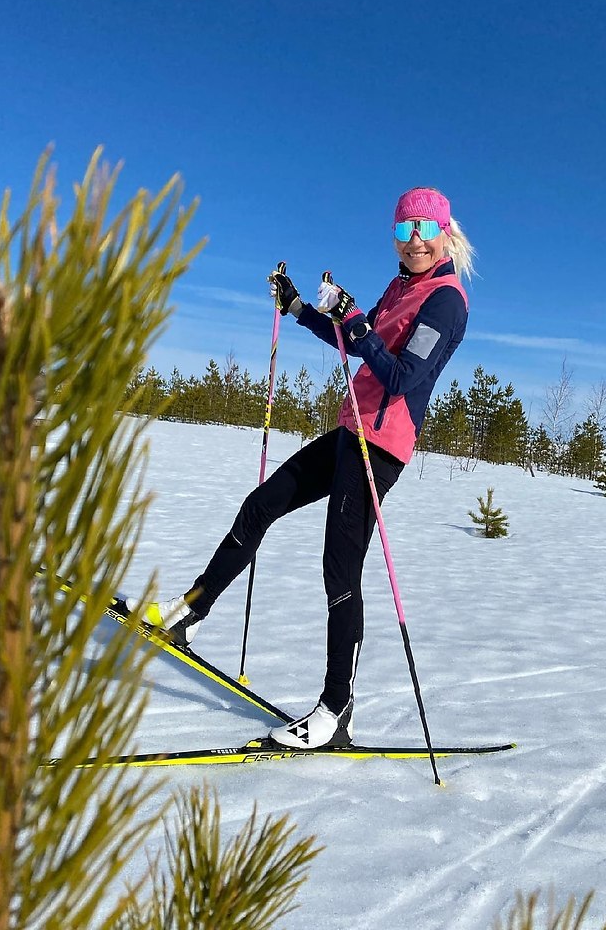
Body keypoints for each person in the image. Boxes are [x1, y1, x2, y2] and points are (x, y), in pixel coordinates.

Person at [128, 187, 475, 748]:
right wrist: (302, 310)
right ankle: (189, 611)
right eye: (403, 229)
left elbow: (403, 377)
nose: (412, 241)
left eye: (422, 230)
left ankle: (336, 711)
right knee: (261, 503)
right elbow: (351, 339)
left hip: (380, 445)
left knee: (339, 572)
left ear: (442, 234)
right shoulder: (400, 287)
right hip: (350, 431)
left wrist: (357, 321)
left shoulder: (445, 300)